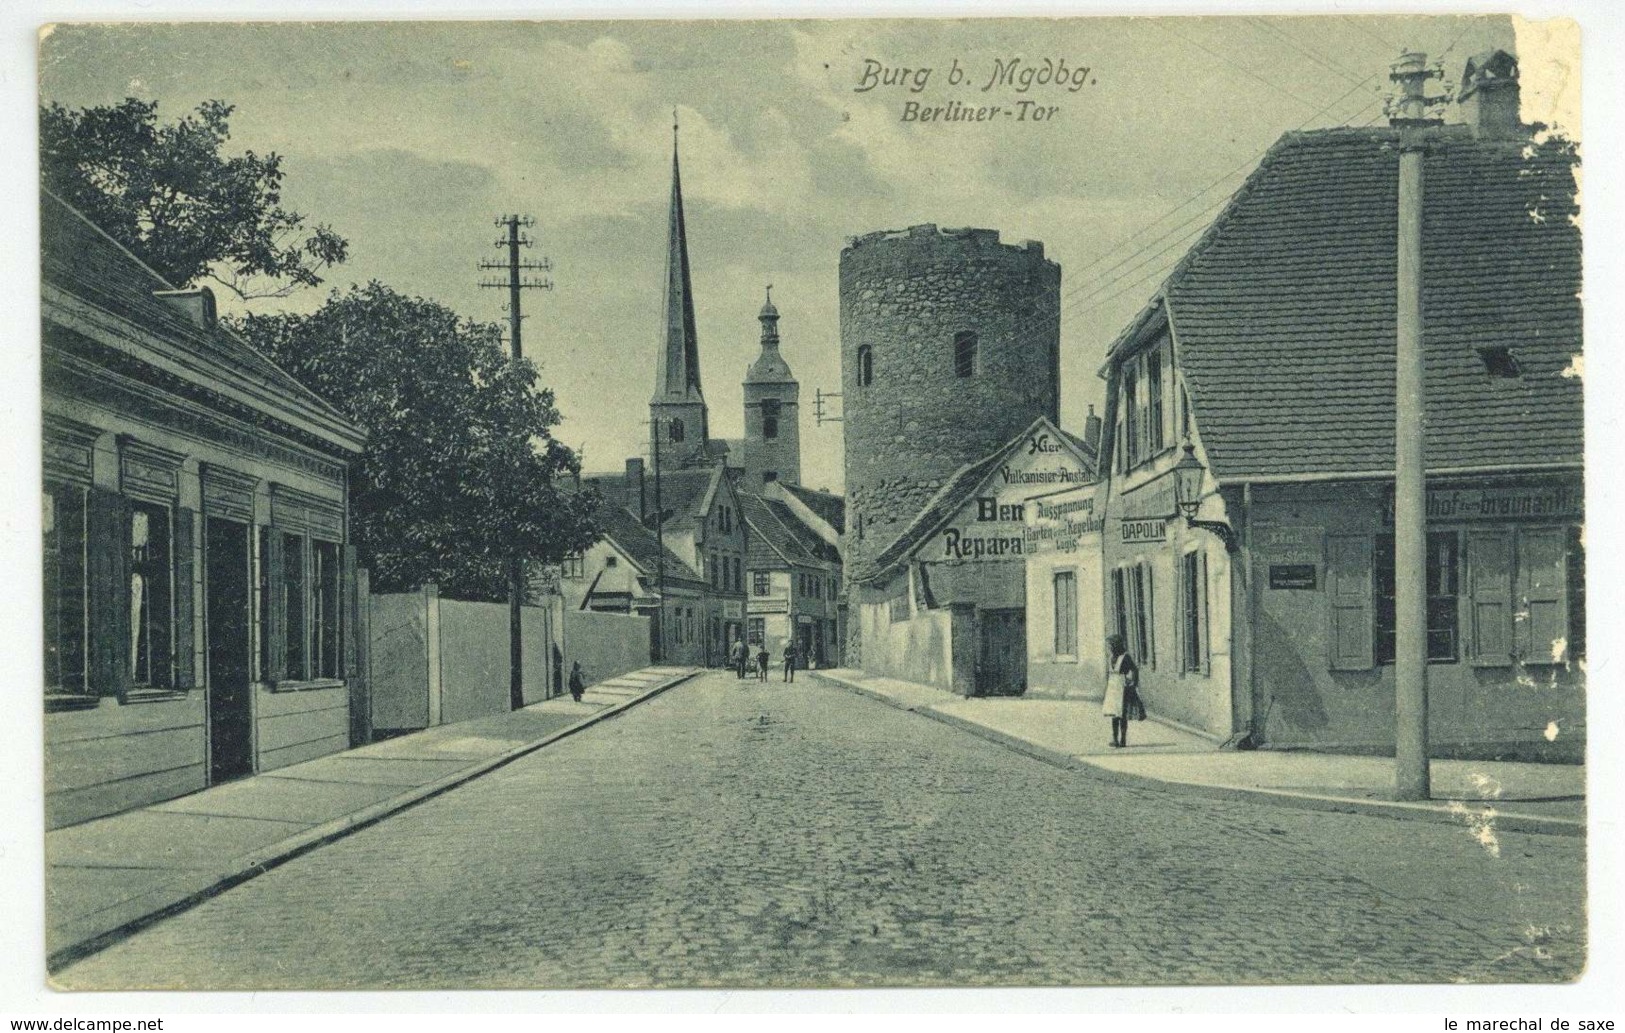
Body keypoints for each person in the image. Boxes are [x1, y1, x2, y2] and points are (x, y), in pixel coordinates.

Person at [1103, 633, 1144, 747]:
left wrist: (1133, 683)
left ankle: (1123, 740)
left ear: (1117, 645)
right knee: (1114, 714)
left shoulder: (1125, 657)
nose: (1110, 647)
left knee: (1122, 714)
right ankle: (1115, 739)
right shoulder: (1111, 658)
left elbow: (1134, 669)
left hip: (1122, 687)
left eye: (1112, 645)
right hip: (1112, 687)